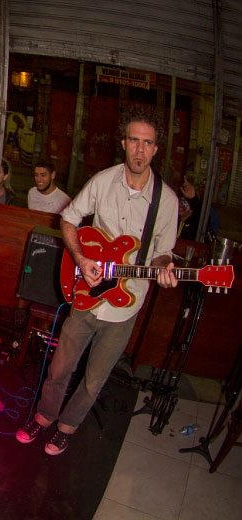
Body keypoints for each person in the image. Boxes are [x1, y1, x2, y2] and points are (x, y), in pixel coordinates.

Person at [15, 105, 180, 455]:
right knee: (60, 366)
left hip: (125, 305)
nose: (139, 149)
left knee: (94, 379)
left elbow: (163, 252)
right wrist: (80, 258)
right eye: (134, 140)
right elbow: (68, 219)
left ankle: (67, 426)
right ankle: (44, 416)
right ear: (123, 142)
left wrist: (165, 266)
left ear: (155, 148)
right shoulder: (103, 181)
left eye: (147, 143)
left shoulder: (166, 201)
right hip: (87, 292)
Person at [177, 175, 220, 241]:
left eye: (185, 202)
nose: (181, 204)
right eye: (180, 200)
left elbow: (204, 221)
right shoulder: (173, 220)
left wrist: (193, 199)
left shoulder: (195, 223)